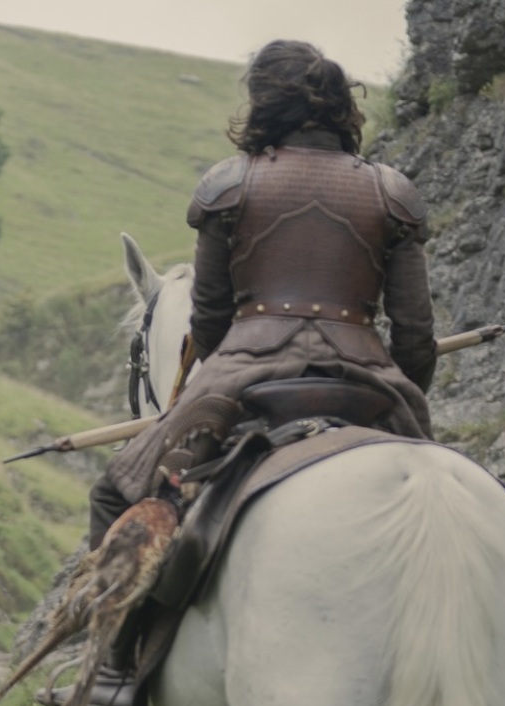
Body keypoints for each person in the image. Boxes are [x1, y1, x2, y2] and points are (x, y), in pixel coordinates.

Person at [87, 39, 438, 551]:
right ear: (344, 104)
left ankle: (113, 628)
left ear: (262, 102)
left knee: (113, 495)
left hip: (244, 372)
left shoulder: (228, 185)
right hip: (370, 378)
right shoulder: (392, 191)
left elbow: (207, 321)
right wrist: (403, 391)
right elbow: (415, 335)